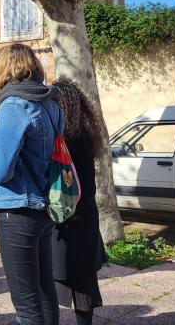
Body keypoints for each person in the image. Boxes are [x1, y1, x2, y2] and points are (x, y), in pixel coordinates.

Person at [0, 43, 61, 325]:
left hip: (17, 211)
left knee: (26, 305)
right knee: (45, 291)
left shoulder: (13, 105)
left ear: (5, 68)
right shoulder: (51, 104)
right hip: (44, 207)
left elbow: (0, 170)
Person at [50, 79, 107, 325]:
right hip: (84, 214)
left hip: (66, 214)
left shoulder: (62, 138)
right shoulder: (85, 133)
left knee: (56, 275)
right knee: (84, 281)